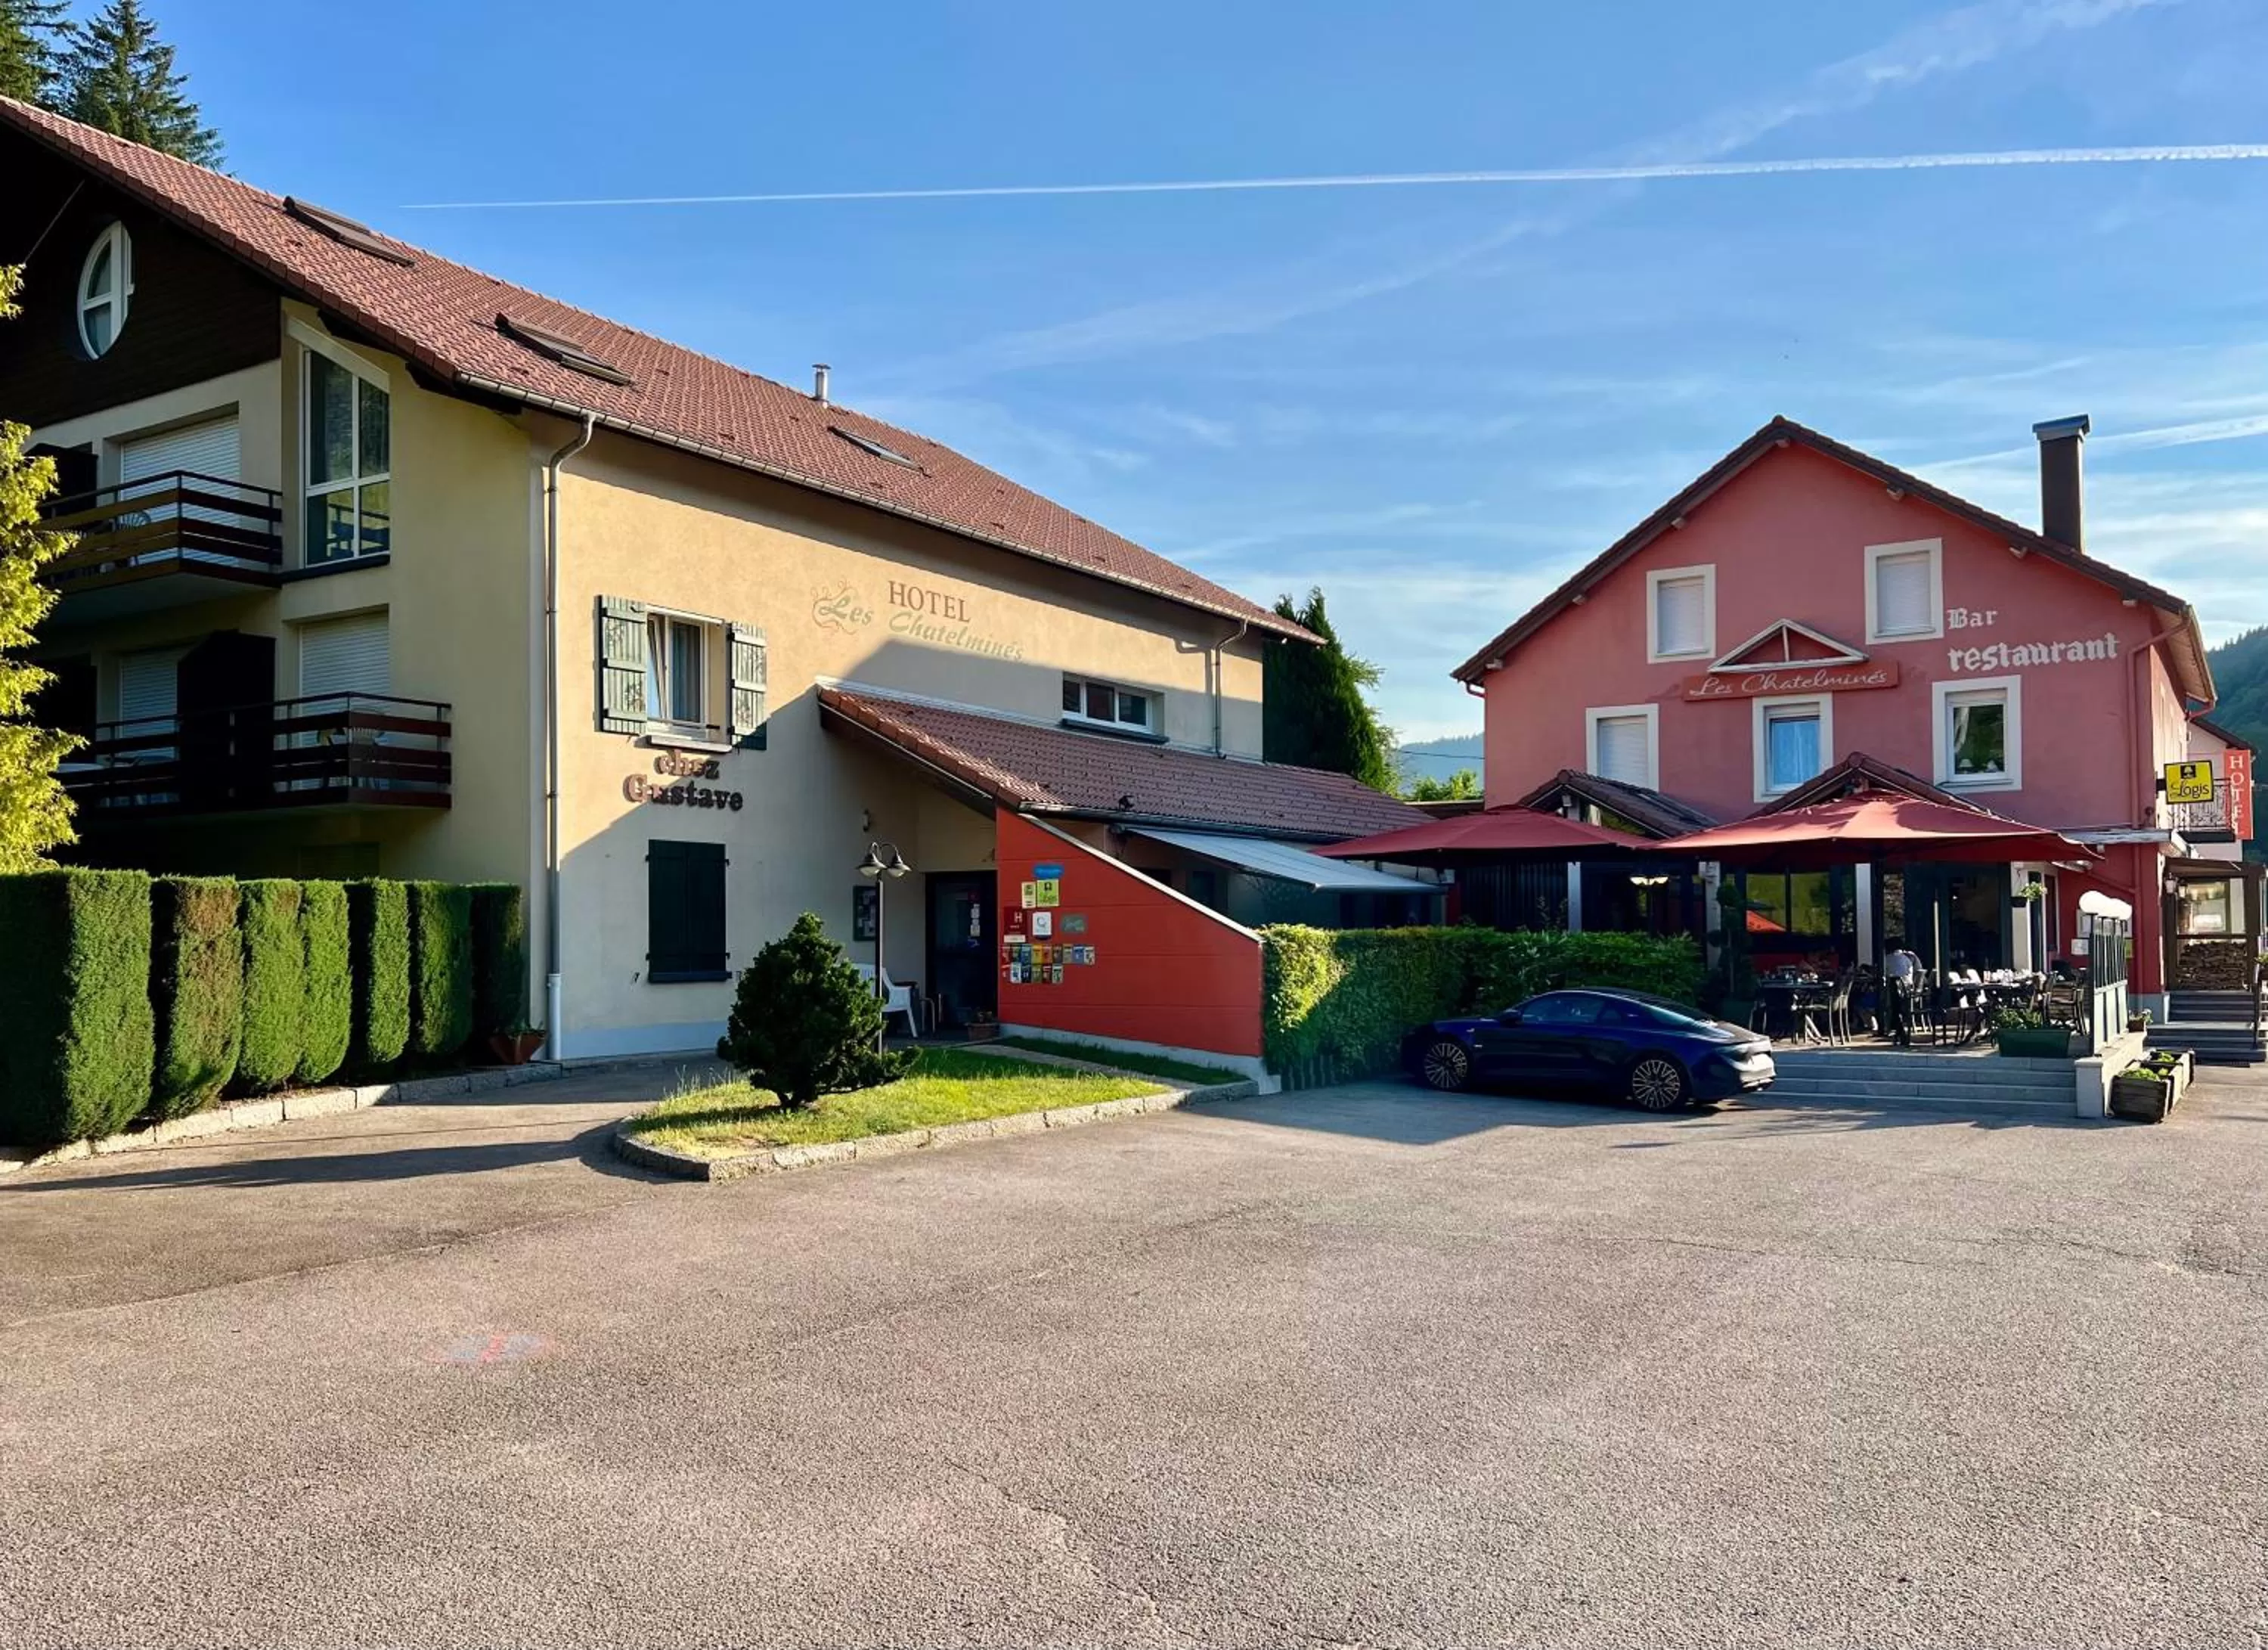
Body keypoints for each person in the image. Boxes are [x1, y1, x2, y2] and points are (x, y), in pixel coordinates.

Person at [1883, 946, 1920, 1045]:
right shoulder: (1907, 958)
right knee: (1896, 1009)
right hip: (1909, 992)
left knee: (1892, 1007)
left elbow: (1884, 973)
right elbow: (1911, 973)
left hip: (1895, 991)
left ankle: (1896, 1030)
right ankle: (1899, 1032)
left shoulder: (1887, 958)